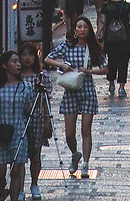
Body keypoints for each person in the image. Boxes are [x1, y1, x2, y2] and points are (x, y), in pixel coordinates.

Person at [49, 15, 102, 174]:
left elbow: (105, 68)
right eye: (79, 27)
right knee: (69, 133)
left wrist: (89, 71)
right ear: (74, 30)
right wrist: (62, 65)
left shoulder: (93, 47)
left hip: (87, 90)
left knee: (86, 130)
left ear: (89, 29)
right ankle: (75, 154)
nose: (82, 30)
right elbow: (48, 59)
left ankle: (85, 164)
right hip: (70, 91)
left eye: (85, 27)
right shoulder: (67, 46)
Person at [0, 52, 35, 201]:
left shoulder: (25, 86)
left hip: (18, 131)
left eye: (19, 61)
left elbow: (28, 109)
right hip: (0, 131)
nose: (18, 64)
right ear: (5, 65)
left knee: (16, 171)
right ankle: (2, 191)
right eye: (14, 62)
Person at [18, 42, 56, 199]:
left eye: (30, 54)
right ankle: (19, 188)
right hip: (19, 117)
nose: (27, 58)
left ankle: (34, 183)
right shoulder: (15, 75)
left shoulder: (41, 76)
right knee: (19, 155)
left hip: (37, 117)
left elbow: (46, 99)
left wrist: (48, 121)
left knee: (36, 154)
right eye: (24, 54)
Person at [98, 0, 130, 98]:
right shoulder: (127, 5)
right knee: (123, 63)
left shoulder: (106, 6)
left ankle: (111, 84)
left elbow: (103, 22)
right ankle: (121, 87)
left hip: (110, 39)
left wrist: (97, 35)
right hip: (125, 38)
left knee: (112, 61)